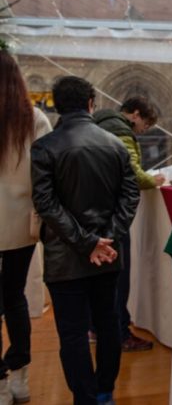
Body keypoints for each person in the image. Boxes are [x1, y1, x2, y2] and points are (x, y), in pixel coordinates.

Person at [31, 76, 140, 405]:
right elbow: (130, 196)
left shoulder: (44, 147)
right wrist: (105, 240)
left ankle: (86, 397)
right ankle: (105, 392)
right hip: (107, 256)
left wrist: (87, 242)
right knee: (108, 325)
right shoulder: (115, 144)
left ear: (56, 105)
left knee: (74, 333)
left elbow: (46, 205)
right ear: (91, 103)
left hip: (66, 259)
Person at [0, 49, 52, 405]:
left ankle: (0, 384)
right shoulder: (33, 119)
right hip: (20, 224)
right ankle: (20, 377)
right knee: (14, 297)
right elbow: (45, 174)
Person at [93, 97, 162, 352]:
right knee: (118, 278)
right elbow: (131, 173)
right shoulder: (121, 131)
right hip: (113, 216)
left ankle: (98, 328)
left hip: (92, 213)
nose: (143, 130)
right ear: (135, 114)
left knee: (101, 279)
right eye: (145, 124)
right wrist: (152, 180)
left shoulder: (100, 123)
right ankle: (119, 334)